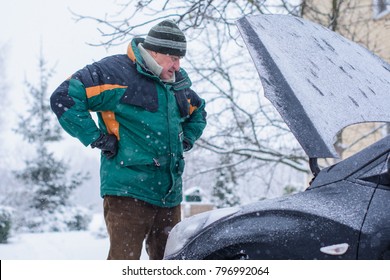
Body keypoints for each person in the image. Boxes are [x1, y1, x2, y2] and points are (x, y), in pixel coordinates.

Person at [50, 19, 207, 260]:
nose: (177, 66)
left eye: (179, 59)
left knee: (172, 263)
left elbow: (198, 113)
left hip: (169, 196)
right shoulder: (115, 73)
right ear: (154, 52)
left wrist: (185, 139)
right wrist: (97, 138)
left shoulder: (177, 86)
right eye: (173, 58)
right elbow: (65, 97)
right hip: (127, 191)